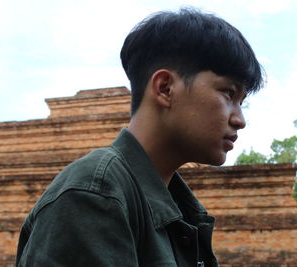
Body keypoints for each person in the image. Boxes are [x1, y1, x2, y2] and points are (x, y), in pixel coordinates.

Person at [15, 8, 263, 266]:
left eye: (241, 102)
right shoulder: (94, 194)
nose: (239, 120)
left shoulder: (177, 206)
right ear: (165, 88)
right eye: (228, 93)